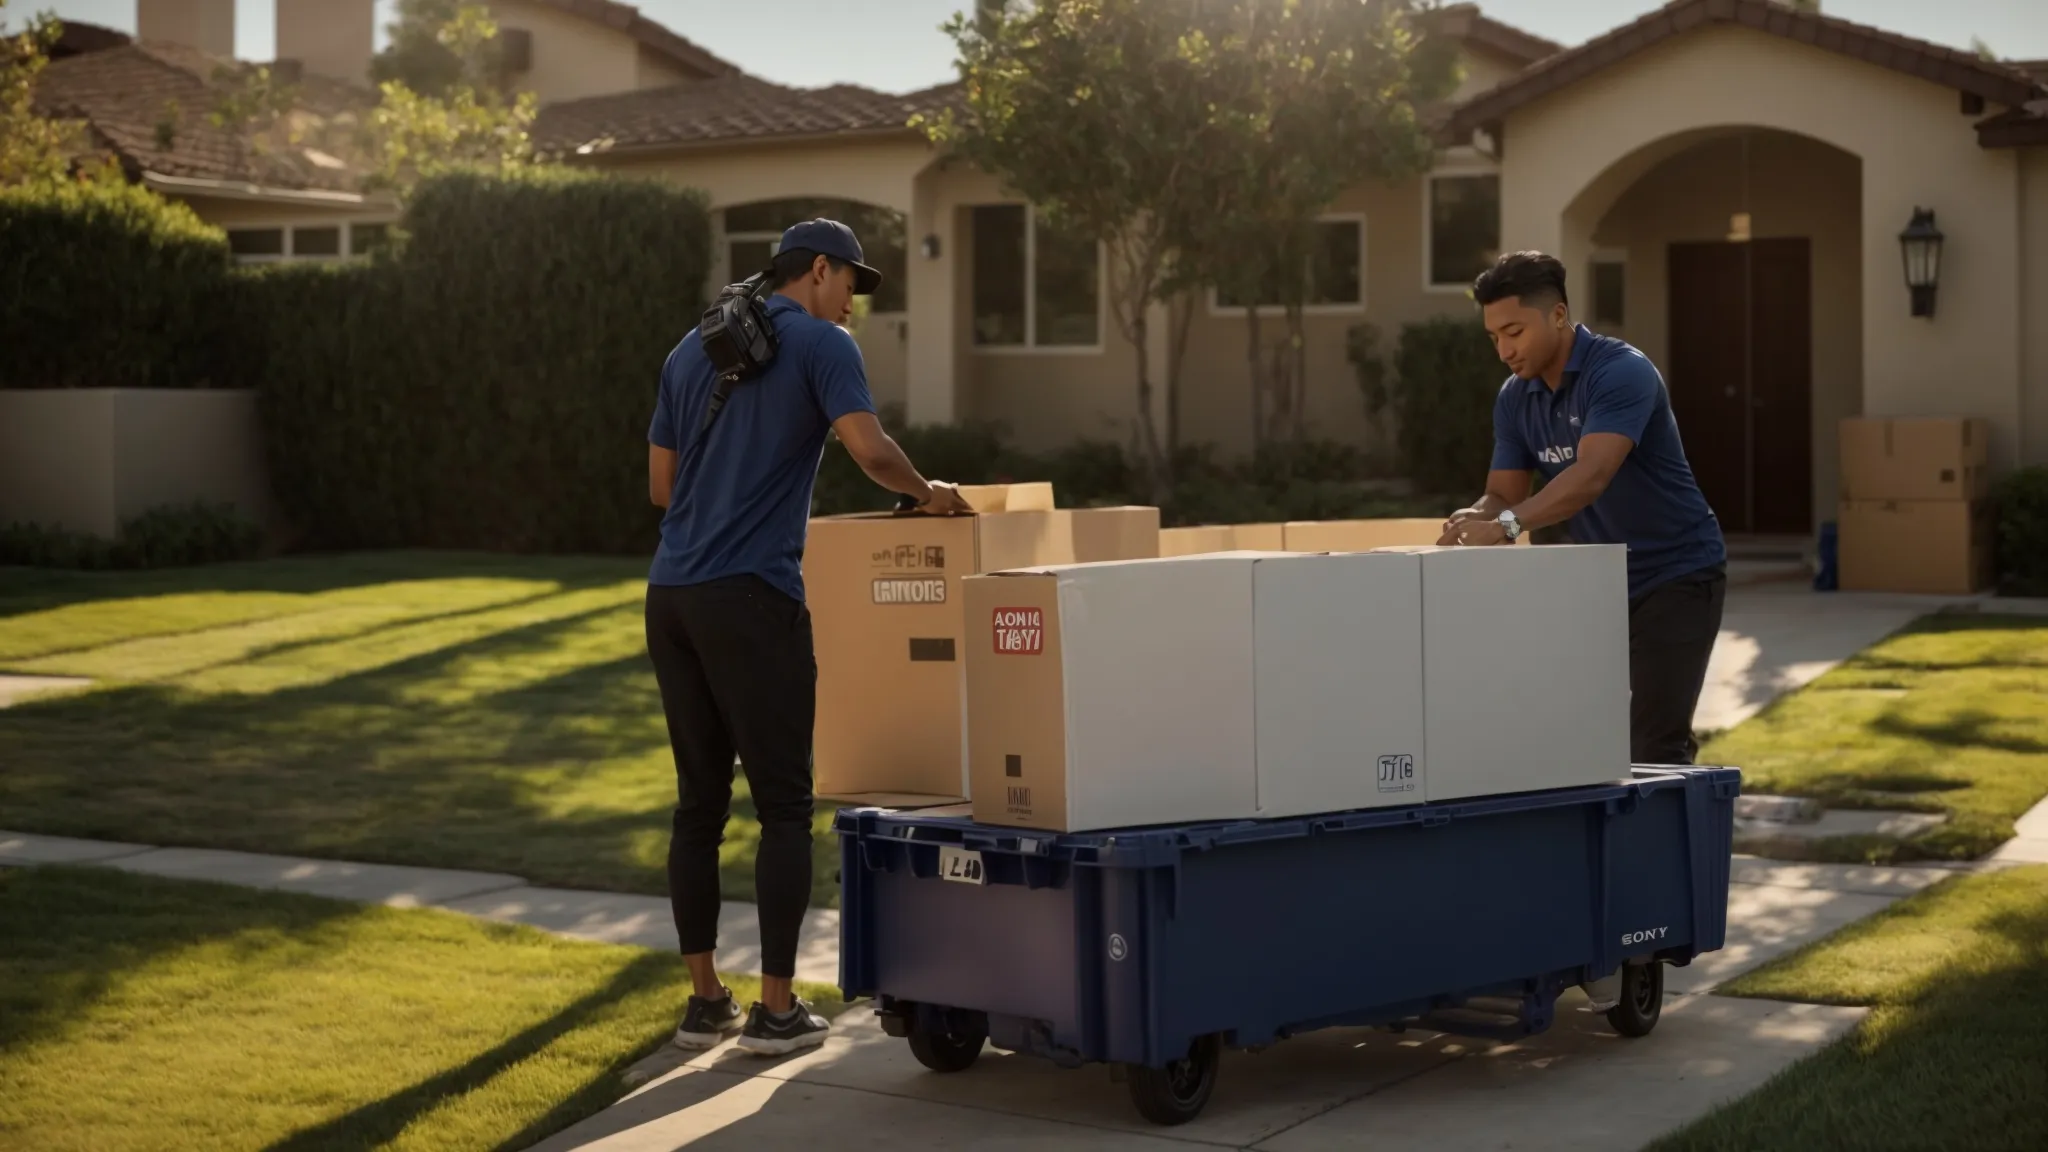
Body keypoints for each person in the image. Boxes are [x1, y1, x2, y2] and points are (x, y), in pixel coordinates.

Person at [644, 217, 970, 1056]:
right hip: (752, 596)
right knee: (785, 807)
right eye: (850, 285)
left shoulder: (692, 348)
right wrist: (929, 494)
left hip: (671, 597)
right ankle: (777, 1012)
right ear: (816, 271)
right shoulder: (823, 347)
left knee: (699, 805)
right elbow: (871, 451)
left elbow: (661, 486)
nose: (853, 305)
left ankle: (704, 1002)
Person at [1439, 250, 1728, 767]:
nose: (1504, 350)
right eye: (1494, 337)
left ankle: (1670, 847)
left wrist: (1506, 527)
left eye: (1514, 332)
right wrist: (1479, 514)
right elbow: (1504, 492)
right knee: (1581, 737)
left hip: (1677, 573)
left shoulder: (1620, 372)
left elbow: (1591, 476)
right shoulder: (1514, 397)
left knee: (1654, 748)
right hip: (1597, 581)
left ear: (1557, 315)